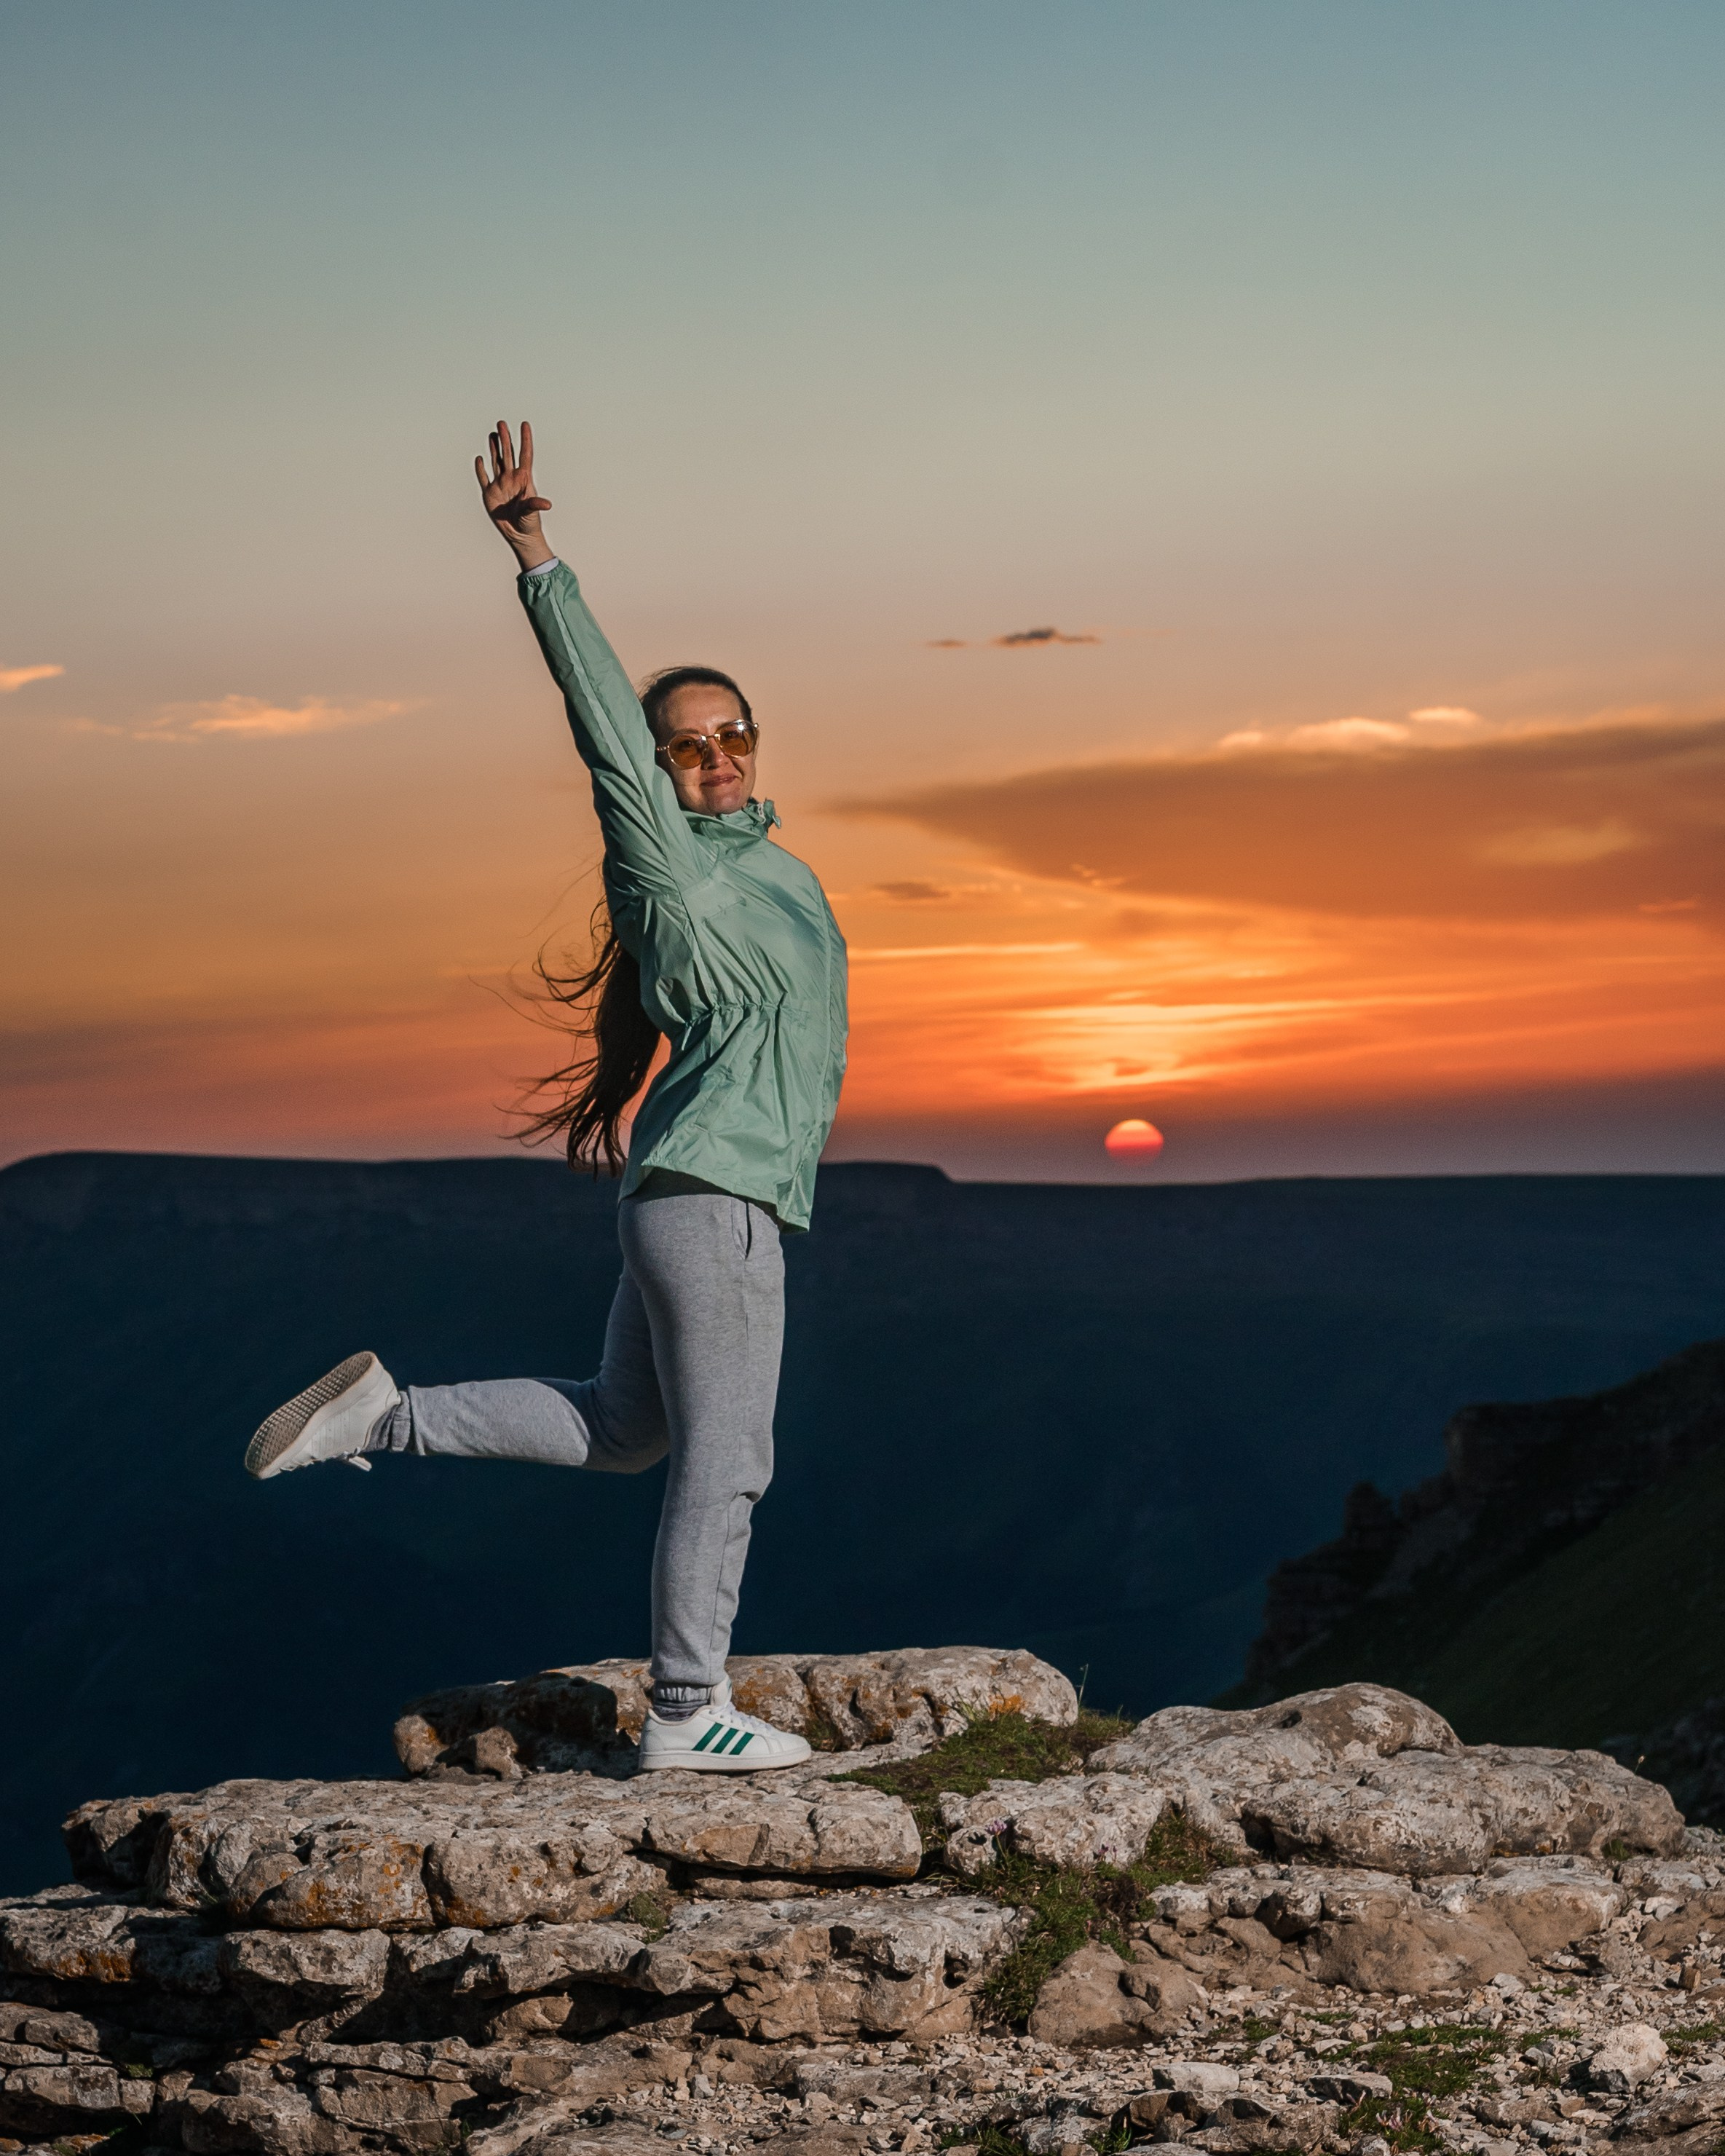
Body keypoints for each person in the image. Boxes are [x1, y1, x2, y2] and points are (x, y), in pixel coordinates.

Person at [241, 421, 848, 1774]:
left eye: (733, 733)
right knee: (726, 1457)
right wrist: (537, 559)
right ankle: (690, 1710)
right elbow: (599, 729)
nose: (717, 757)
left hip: (681, 1195)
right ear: (658, 768)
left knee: (626, 1430)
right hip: (718, 1201)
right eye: (686, 746)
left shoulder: (772, 869)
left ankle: (378, 1414)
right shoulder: (670, 867)